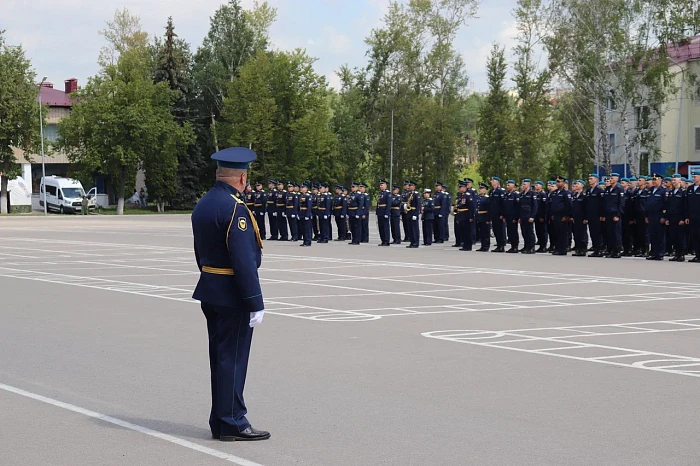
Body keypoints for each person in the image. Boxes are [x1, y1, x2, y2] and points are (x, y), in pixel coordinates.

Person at [191, 146, 269, 442]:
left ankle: (221, 420)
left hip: (211, 288)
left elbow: (200, 251)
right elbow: (244, 261)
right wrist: (254, 301)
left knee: (222, 359)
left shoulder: (205, 203)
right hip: (233, 294)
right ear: (242, 177)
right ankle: (232, 421)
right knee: (233, 360)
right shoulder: (235, 208)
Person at [646, 173, 668, 261]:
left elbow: (665, 204)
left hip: (659, 215)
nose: (654, 181)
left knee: (660, 235)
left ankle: (660, 253)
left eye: (655, 180)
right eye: (653, 180)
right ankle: (654, 252)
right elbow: (648, 204)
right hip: (651, 215)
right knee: (652, 234)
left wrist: (664, 216)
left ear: (660, 180)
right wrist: (647, 216)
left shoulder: (663, 191)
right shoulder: (650, 190)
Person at [550, 176, 573, 256]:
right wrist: (552, 214)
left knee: (563, 233)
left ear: (563, 183)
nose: (558, 183)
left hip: (562, 216)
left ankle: (563, 249)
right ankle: (557, 248)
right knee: (556, 233)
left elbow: (569, 205)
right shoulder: (554, 193)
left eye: (559, 182)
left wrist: (566, 215)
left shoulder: (566, 193)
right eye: (557, 181)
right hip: (555, 215)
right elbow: (553, 204)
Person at [667, 174, 687, 262]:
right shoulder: (671, 192)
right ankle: (676, 254)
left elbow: (685, 206)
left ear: (680, 181)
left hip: (679, 217)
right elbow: (668, 206)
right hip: (672, 217)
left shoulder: (683, 192)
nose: (673, 182)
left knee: (680, 236)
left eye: (675, 180)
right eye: (673, 180)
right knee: (673, 236)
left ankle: (681, 254)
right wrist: (667, 218)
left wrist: (683, 218)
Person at [519, 179, 537, 254]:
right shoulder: (522, 194)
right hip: (523, 215)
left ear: (528, 185)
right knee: (524, 232)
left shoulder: (532, 193)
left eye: (525, 184)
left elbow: (535, 206)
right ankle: (526, 246)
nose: (523, 185)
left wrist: (532, 216)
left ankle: (532, 247)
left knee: (530, 232)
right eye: (522, 184)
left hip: (529, 215)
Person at [455, 180, 474, 251]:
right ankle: (464, 245)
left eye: (460, 187)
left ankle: (468, 246)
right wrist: (456, 215)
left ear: (464, 188)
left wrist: (471, 217)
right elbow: (457, 206)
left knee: (467, 232)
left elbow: (471, 207)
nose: (459, 188)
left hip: (466, 216)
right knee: (462, 232)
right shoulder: (460, 195)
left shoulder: (468, 195)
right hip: (461, 215)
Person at [571, 180, 588, 256]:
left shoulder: (584, 195)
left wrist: (586, 217)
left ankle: (583, 249)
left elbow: (586, 207)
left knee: (582, 233)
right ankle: (578, 248)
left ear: (582, 186)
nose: (576, 185)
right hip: (575, 217)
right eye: (576, 184)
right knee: (576, 233)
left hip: (582, 217)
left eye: (578, 184)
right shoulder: (574, 195)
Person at [490, 177, 507, 252]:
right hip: (494, 214)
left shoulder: (501, 191)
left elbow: (504, 204)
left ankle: (502, 245)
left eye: (493, 181)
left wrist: (503, 214)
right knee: (495, 230)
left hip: (499, 214)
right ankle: (498, 244)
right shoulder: (492, 191)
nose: (492, 182)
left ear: (497, 182)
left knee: (500, 230)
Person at [504, 180, 520, 253]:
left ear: (513, 186)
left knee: (514, 232)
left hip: (513, 217)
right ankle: (512, 246)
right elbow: (505, 206)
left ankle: (515, 246)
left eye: (509, 185)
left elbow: (517, 207)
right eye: (507, 185)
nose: (507, 186)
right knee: (509, 232)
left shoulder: (516, 194)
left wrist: (515, 217)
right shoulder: (507, 194)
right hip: (508, 216)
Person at [687, 170, 700, 262]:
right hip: (692, 216)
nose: (693, 178)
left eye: (695, 176)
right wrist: (687, 216)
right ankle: (697, 255)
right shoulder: (690, 188)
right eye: (693, 176)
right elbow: (686, 204)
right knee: (694, 236)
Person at [476, 183, 491, 252]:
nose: (480, 190)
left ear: (485, 190)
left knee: (486, 233)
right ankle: (482, 245)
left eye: (482, 189)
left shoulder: (487, 198)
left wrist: (488, 219)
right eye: (480, 189)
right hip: (479, 217)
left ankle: (486, 246)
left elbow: (489, 209)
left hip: (485, 216)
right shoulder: (478, 197)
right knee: (481, 233)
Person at [405, 181, 420, 248]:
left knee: (414, 229)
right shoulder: (409, 194)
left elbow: (418, 205)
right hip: (409, 212)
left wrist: (416, 214)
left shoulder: (416, 194)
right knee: (410, 228)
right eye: (409, 186)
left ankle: (416, 242)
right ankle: (412, 242)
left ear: (414, 186)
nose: (409, 187)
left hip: (414, 212)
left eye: (410, 186)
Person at [377, 179, 392, 246]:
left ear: (386, 185)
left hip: (384, 211)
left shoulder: (388, 193)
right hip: (380, 211)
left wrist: (387, 213)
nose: (381, 186)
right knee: (381, 227)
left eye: (382, 185)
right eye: (380, 185)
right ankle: (383, 240)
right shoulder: (380, 193)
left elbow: (389, 204)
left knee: (385, 227)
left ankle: (386, 240)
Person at [534, 181, 548, 252]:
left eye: (537, 185)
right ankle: (540, 245)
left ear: (541, 186)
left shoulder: (543, 195)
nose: (535, 186)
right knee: (538, 231)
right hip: (536, 216)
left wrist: (542, 216)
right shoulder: (535, 194)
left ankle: (543, 246)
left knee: (543, 231)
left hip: (541, 216)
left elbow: (544, 206)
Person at [298, 182, 313, 247]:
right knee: (303, 228)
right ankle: (305, 241)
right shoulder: (302, 195)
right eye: (301, 187)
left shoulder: (308, 196)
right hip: (302, 213)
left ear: (306, 188)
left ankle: (308, 241)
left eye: (303, 187)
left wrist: (307, 215)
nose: (301, 189)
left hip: (306, 214)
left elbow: (309, 207)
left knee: (307, 228)